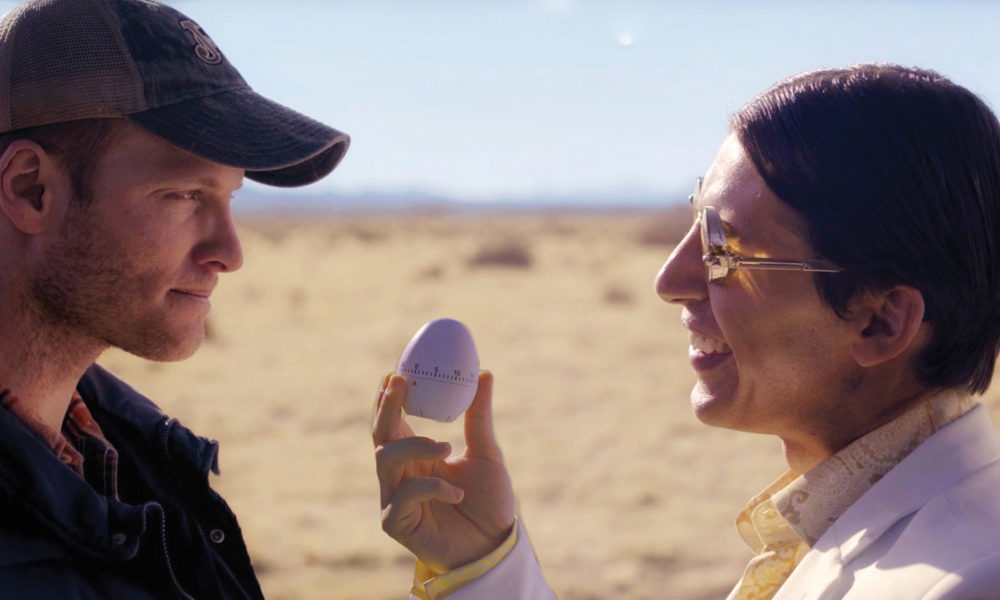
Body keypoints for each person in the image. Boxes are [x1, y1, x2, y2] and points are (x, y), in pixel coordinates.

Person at [373, 63, 1000, 599]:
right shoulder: (875, 532)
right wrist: (483, 561)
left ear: (880, 321)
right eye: (695, 225)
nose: (670, 279)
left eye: (723, 249)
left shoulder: (965, 581)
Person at [0, 0, 348, 597]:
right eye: (186, 194)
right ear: (31, 189)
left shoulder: (143, 466)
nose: (229, 253)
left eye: (229, 198)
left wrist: (476, 570)